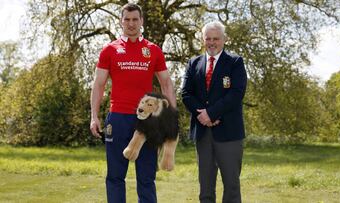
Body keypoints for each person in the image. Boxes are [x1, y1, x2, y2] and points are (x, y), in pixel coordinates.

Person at [90, 3, 176, 203]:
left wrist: (170, 117)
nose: (131, 23)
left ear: (141, 21)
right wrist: (94, 116)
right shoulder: (109, 50)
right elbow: (99, 85)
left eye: (135, 19)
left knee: (146, 177)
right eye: (127, 19)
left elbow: (166, 84)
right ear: (121, 22)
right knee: (115, 176)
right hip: (118, 118)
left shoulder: (153, 50)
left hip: (147, 121)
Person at [181, 21, 247, 203]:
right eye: (207, 38)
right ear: (203, 40)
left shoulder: (235, 62)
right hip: (203, 133)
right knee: (205, 189)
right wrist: (202, 116)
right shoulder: (194, 63)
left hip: (229, 134)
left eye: (215, 39)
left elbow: (236, 94)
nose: (211, 42)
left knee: (232, 187)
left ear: (224, 39)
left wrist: (211, 114)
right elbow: (186, 94)